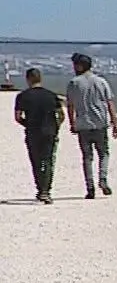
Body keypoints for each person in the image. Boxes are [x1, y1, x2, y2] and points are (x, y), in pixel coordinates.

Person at [65, 53, 117, 199]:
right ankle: (103, 179)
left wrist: (72, 123)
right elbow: (110, 103)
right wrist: (115, 124)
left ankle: (90, 187)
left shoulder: (74, 83)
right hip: (100, 123)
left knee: (87, 157)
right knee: (104, 154)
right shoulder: (101, 82)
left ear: (80, 66)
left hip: (83, 125)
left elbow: (70, 106)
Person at [13, 68, 63, 203]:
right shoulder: (51, 95)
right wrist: (56, 126)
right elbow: (61, 115)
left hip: (32, 133)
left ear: (28, 79)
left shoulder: (22, 96)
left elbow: (18, 117)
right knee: (48, 160)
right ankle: (46, 190)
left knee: (35, 161)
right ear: (40, 78)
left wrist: (27, 124)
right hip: (50, 132)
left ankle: (40, 188)